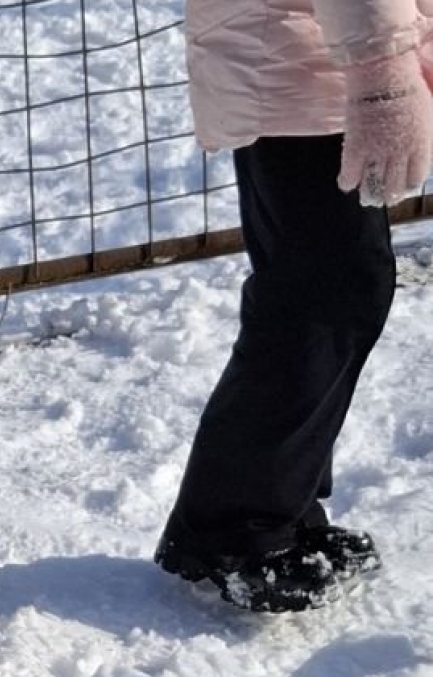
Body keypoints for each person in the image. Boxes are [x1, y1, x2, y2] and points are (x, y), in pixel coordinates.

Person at [155, 0, 433, 612]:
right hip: (304, 69)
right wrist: (382, 72)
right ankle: (235, 531)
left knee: (328, 292)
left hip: (309, 61)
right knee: (324, 298)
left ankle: (276, 510)